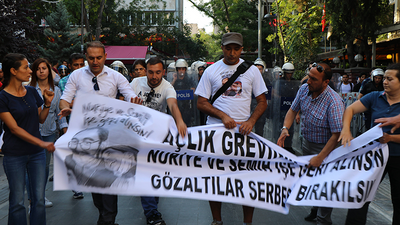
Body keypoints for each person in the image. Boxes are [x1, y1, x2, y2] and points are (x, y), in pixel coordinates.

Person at [59, 41, 139, 225]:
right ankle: (105, 216)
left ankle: (107, 220)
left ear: (105, 57)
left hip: (110, 136)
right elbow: (65, 99)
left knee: (109, 179)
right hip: (86, 138)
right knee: (95, 182)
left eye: (99, 57)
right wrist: (65, 108)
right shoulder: (76, 76)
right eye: (91, 58)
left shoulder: (116, 76)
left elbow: (130, 94)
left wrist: (134, 102)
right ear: (86, 57)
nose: (95, 61)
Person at [195, 32, 268, 225]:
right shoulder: (211, 71)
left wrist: (251, 121)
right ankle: (217, 220)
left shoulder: (252, 71)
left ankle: (248, 222)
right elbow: (201, 103)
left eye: (236, 48)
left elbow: (262, 101)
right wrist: (222, 116)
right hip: (215, 133)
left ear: (241, 49)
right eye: (228, 48)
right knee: (214, 178)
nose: (232, 53)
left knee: (247, 178)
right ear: (222, 48)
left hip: (243, 133)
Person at [277, 62, 344, 225]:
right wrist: (285, 128)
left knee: (326, 186)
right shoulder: (304, 90)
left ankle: (323, 219)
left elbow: (337, 135)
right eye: (308, 77)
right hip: (307, 143)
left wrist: (320, 157)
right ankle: (315, 209)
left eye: (313, 79)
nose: (308, 81)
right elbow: (292, 110)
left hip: (328, 149)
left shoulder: (334, 102)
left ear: (325, 82)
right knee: (313, 181)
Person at [339, 63, 400, 225]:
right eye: (384, 78)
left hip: (398, 157)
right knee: (360, 196)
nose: (385, 82)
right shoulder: (374, 96)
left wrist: (391, 138)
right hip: (374, 156)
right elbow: (349, 110)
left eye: (390, 79)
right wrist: (346, 129)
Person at [130, 57, 187, 225]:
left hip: (157, 136)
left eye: (157, 72)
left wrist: (180, 121)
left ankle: (152, 207)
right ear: (145, 71)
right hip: (136, 136)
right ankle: (152, 213)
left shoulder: (167, 87)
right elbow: (121, 101)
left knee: (156, 174)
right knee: (144, 173)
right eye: (150, 72)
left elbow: (173, 105)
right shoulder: (135, 83)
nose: (154, 76)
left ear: (163, 72)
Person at [0, 53, 55, 225]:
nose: (30, 71)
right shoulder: (2, 97)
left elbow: (40, 119)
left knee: (38, 199)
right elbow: (14, 128)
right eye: (26, 67)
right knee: (17, 202)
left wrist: (47, 104)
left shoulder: (31, 91)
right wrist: (41, 142)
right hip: (15, 154)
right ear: (13, 71)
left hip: (36, 154)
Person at [29, 58, 69, 207]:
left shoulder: (56, 90)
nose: (41, 71)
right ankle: (32, 199)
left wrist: (65, 131)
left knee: (44, 167)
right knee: (31, 166)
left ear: (49, 70)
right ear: (34, 71)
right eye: (38, 68)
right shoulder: (29, 89)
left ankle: (40, 195)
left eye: (44, 68)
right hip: (32, 132)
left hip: (49, 132)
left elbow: (60, 113)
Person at [58, 52, 86, 199]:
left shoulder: (89, 79)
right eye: (76, 65)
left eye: (82, 64)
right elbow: (64, 104)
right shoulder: (63, 82)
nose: (79, 67)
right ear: (70, 66)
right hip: (71, 123)